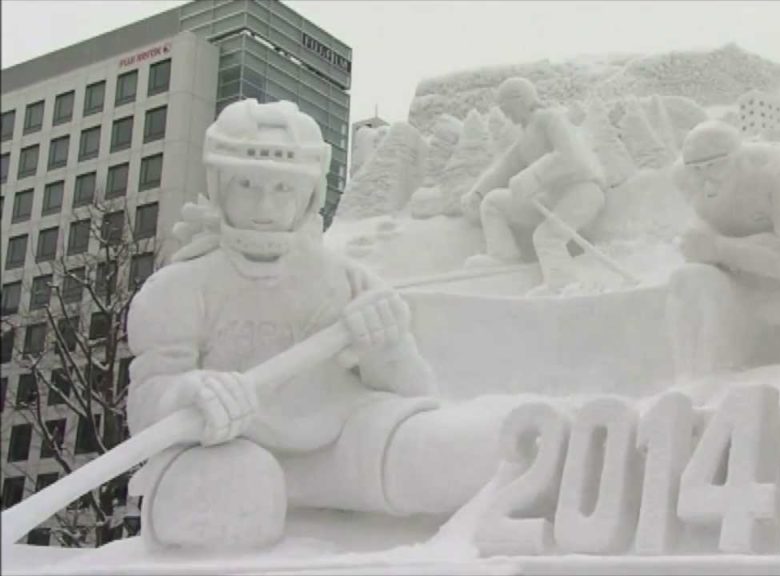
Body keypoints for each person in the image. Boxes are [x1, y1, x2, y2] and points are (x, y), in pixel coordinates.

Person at [127, 100, 513, 550]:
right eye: (247, 185)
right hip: (232, 451)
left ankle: (556, 449)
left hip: (346, 448)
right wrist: (187, 392)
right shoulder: (178, 288)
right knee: (235, 491)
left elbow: (418, 393)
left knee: (450, 453)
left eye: (283, 189)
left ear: (308, 194)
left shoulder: (347, 280)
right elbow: (145, 409)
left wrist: (386, 348)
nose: (264, 206)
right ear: (220, 187)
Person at [668, 120, 780, 372]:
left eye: (716, 166)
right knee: (687, 279)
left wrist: (719, 248)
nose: (706, 178)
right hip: (738, 285)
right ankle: (698, 381)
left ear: (740, 159)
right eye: (697, 169)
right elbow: (703, 225)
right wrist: (700, 242)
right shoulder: (684, 178)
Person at [461, 77, 606, 295]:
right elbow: (504, 167)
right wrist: (478, 192)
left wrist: (533, 176)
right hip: (552, 198)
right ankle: (504, 255)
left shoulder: (550, 119)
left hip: (582, 191)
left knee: (547, 236)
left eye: (507, 108)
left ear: (520, 99)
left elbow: (570, 156)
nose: (506, 115)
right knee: (493, 202)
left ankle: (563, 285)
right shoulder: (526, 136)